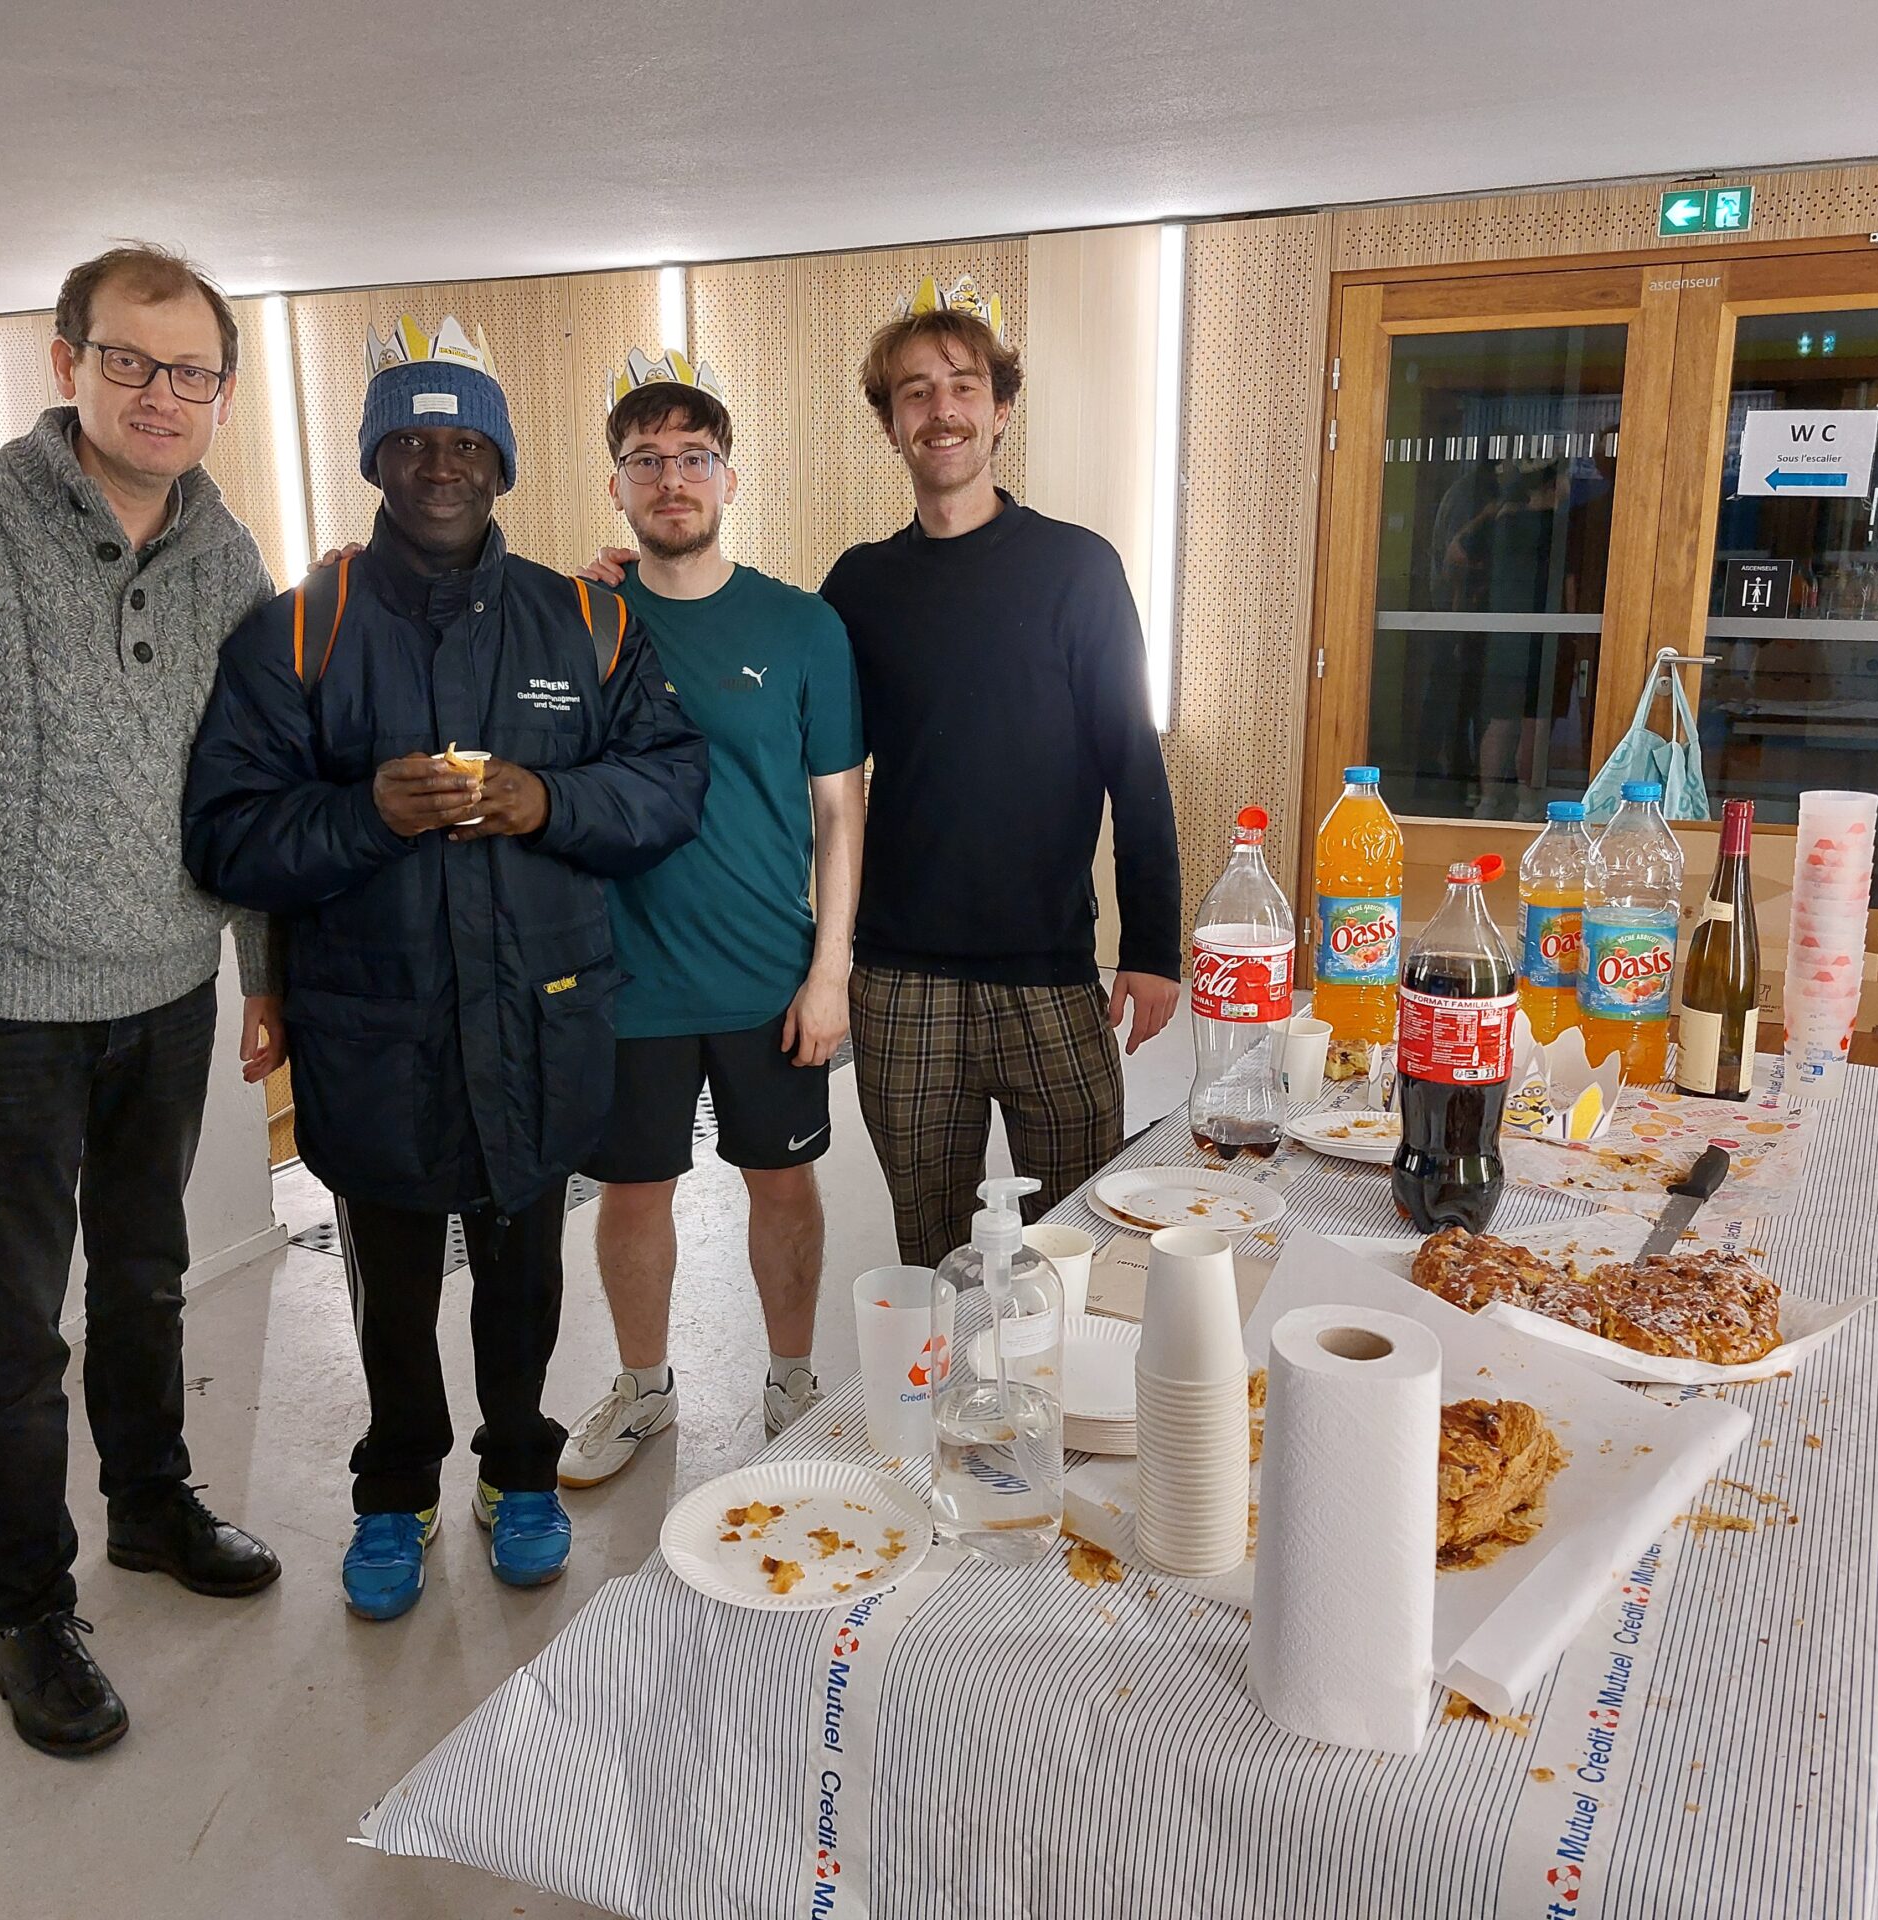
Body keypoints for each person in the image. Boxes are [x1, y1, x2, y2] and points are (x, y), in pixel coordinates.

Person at [0, 243, 285, 1759]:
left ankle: (149, 1504)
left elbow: (252, 785)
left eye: (192, 371)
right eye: (131, 361)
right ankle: (29, 1608)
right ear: (65, 360)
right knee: (15, 1325)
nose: (162, 395)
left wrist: (263, 973)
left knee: (149, 1275)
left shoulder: (228, 554)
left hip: (170, 988)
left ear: (224, 389)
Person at [182, 316, 706, 1620]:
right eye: (411, 437)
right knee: (396, 1291)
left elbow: (670, 784)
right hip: (376, 1035)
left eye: (463, 436)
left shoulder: (586, 624)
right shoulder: (297, 633)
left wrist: (544, 801)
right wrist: (370, 812)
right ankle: (396, 1488)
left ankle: (518, 1473)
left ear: (502, 461)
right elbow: (227, 832)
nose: (438, 461)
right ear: (375, 457)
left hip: (541, 1020)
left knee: (523, 1277)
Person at [820, 278, 1183, 1267]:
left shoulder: (1077, 568)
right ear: (890, 425)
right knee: (934, 1255)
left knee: (1076, 1247)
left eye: (961, 386)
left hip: (1050, 974)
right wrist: (638, 598)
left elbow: (1131, 765)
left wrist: (1153, 945)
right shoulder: (860, 584)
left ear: (999, 409)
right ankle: (946, 1415)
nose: (940, 410)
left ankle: (1061, 1420)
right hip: (900, 979)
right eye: (913, 393)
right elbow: (794, 736)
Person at [555, 352, 866, 1488]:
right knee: (633, 1192)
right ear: (618, 487)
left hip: (765, 975)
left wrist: (829, 968)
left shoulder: (800, 627)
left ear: (729, 480)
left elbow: (840, 807)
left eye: (693, 459)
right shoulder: (578, 622)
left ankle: (790, 1376)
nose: (670, 479)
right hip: (622, 978)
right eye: (647, 461)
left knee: (781, 1184)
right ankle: (644, 1390)